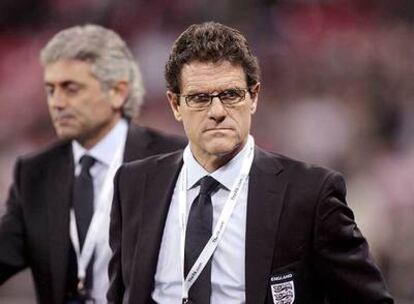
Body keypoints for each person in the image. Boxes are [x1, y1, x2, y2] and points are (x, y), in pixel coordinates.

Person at [107, 21, 394, 304]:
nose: (217, 111)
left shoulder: (309, 194)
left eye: (230, 95)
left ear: (253, 97)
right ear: (175, 105)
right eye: (199, 98)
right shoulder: (134, 185)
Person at [0, 24, 185, 304]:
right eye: (51, 90)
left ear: (118, 92)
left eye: (71, 89)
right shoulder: (36, 172)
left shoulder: (176, 160)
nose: (57, 103)